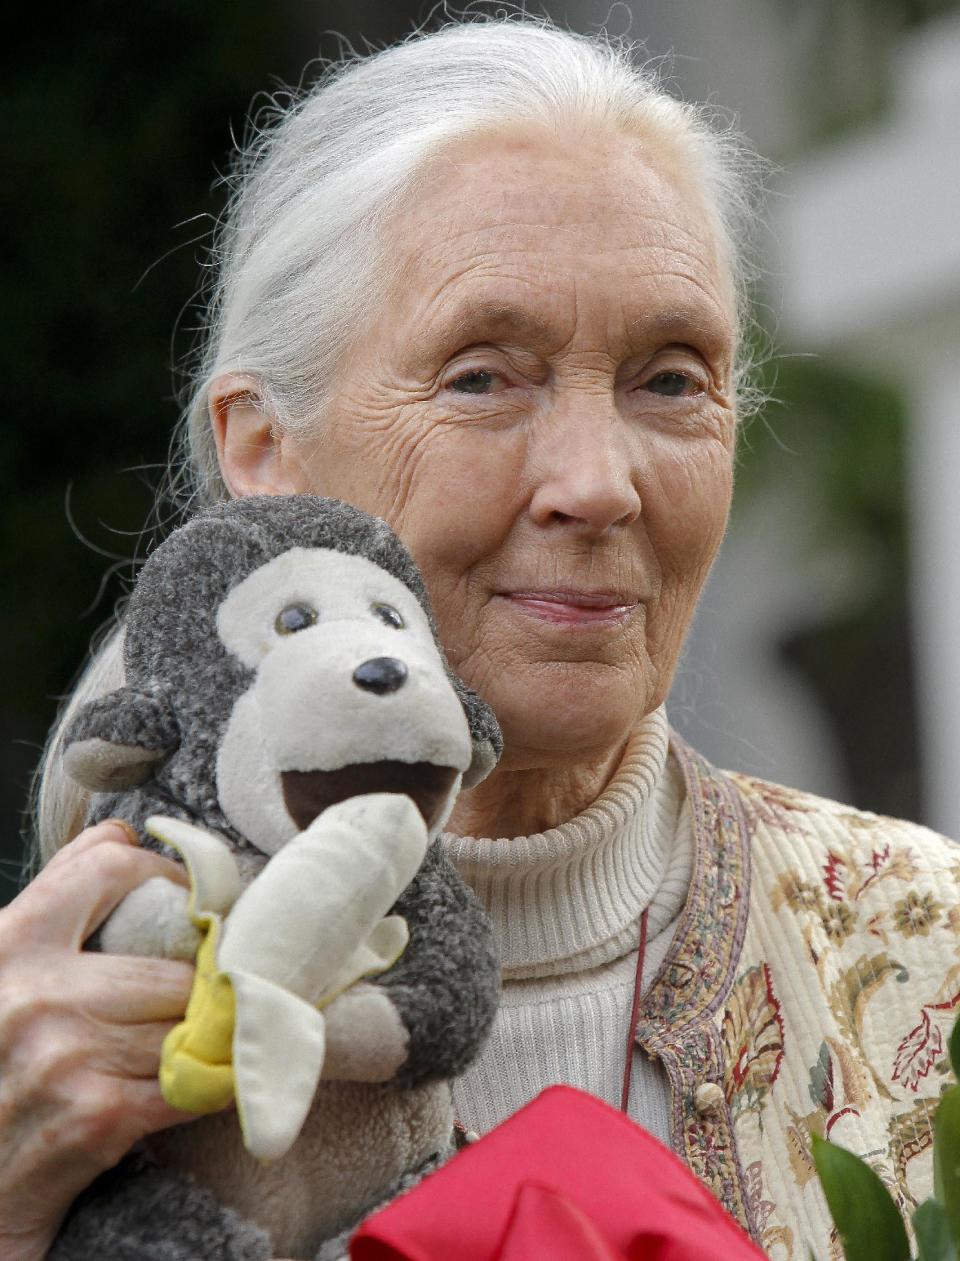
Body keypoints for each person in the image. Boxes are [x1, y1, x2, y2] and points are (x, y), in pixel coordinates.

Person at [1, 17, 956, 1261]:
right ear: (261, 449)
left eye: (671, 379)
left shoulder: (928, 961)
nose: (597, 482)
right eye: (482, 377)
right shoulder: (58, 1026)